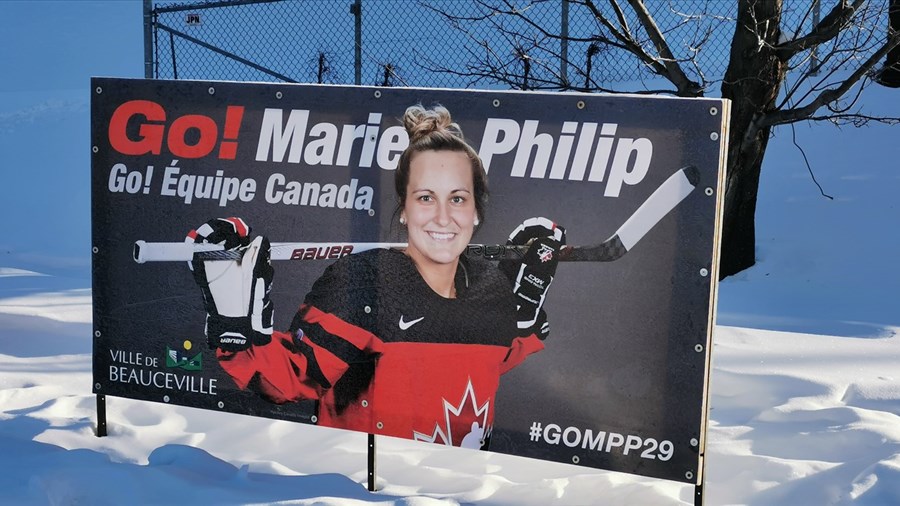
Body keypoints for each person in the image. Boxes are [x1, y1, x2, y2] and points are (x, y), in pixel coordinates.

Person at [187, 105, 565, 449]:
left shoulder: (488, 284)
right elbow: (288, 379)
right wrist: (235, 328)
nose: (443, 217)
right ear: (404, 209)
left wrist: (524, 305)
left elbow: (491, 358)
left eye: (458, 199)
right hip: (368, 488)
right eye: (425, 198)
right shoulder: (367, 279)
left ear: (476, 213)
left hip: (462, 488)